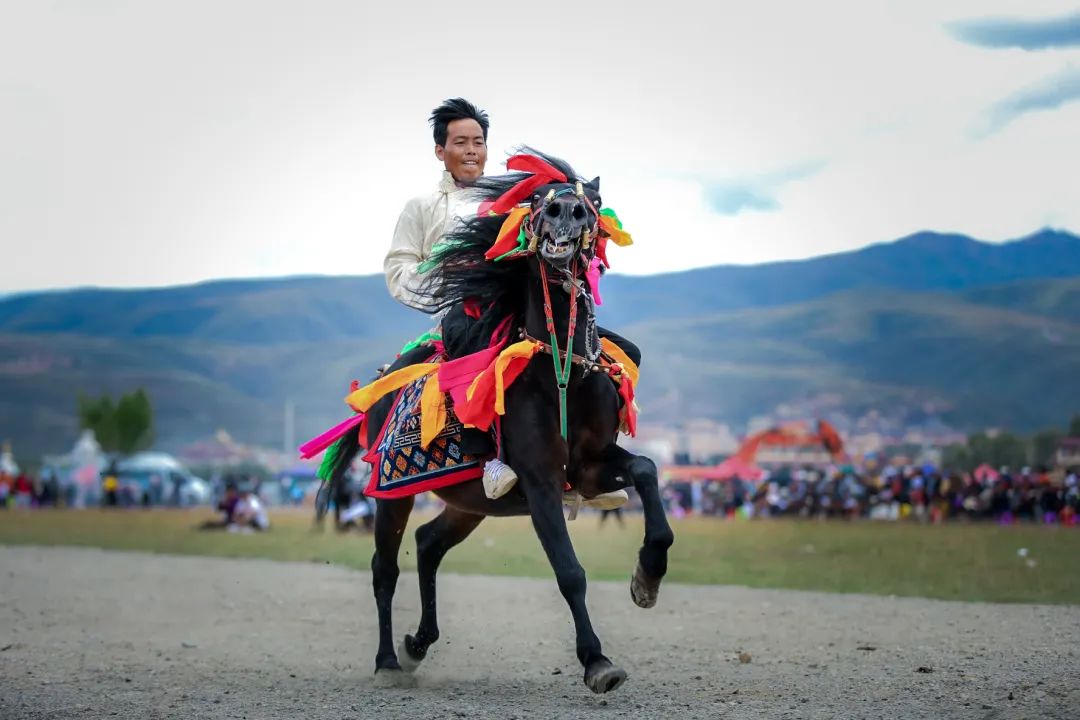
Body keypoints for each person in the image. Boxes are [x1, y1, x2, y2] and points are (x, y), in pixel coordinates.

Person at [383, 98, 632, 509]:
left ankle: (595, 458)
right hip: (469, 313)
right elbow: (399, 269)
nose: (471, 151)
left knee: (616, 354)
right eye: (460, 142)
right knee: (470, 343)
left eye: (478, 142)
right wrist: (450, 282)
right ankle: (489, 458)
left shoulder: (516, 198)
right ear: (439, 151)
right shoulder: (422, 208)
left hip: (531, 308)